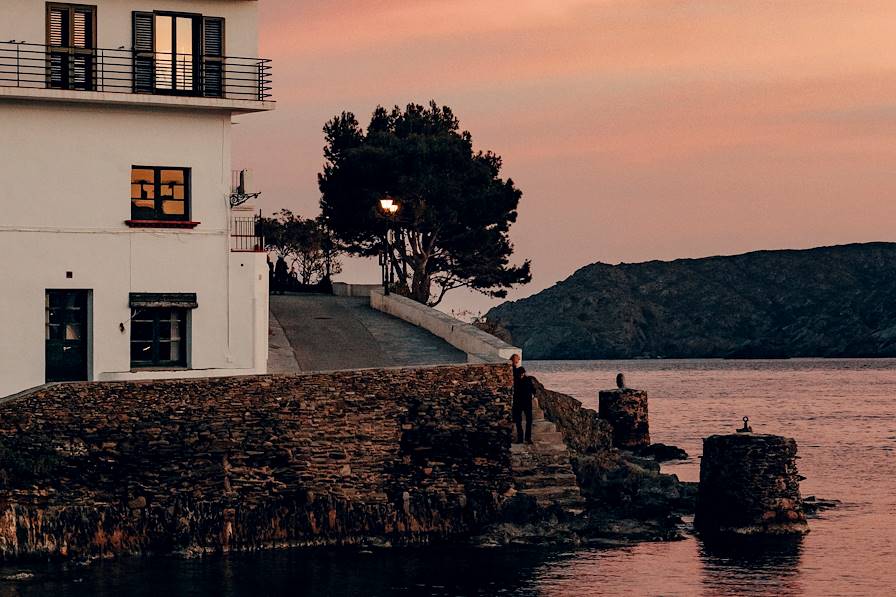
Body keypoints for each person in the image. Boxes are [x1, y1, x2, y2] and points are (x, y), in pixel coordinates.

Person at [513, 367, 535, 445]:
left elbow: (533, 389)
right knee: (518, 421)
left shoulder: (528, 380)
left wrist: (533, 395)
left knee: (529, 420)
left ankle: (527, 438)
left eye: (522, 373)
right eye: (520, 374)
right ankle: (520, 438)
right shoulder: (516, 380)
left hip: (527, 403)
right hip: (518, 403)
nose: (521, 375)